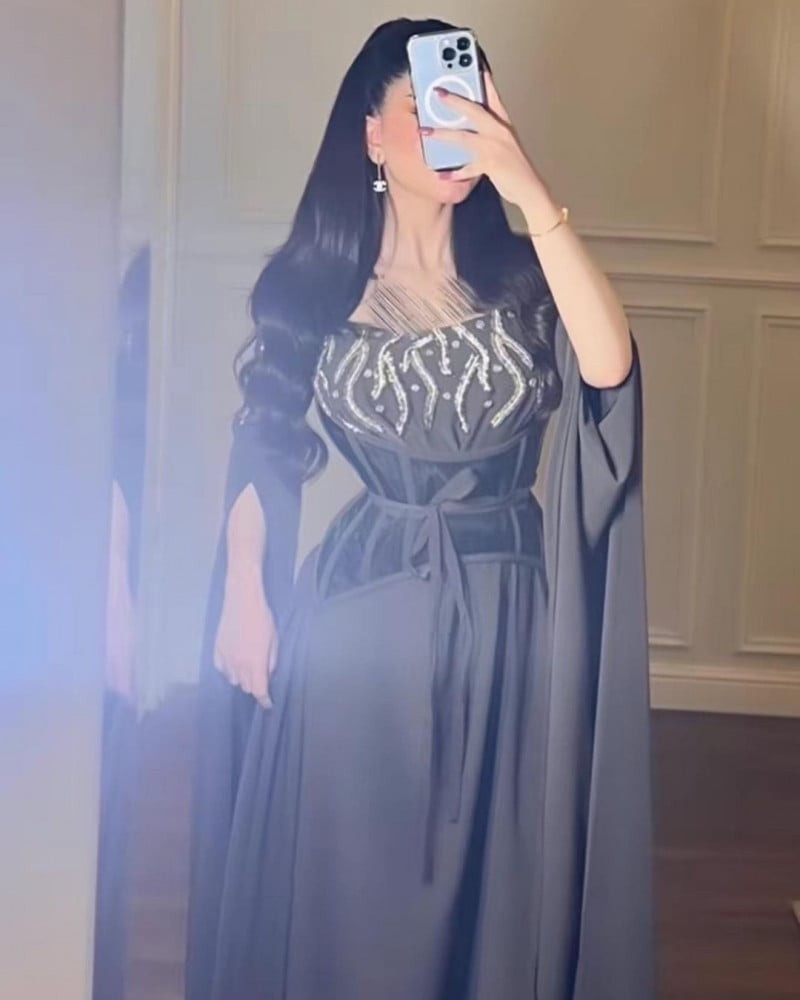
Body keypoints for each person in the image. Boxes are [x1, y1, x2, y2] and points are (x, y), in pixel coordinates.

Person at [185, 17, 656, 1000]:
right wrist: (244, 592)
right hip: (354, 628)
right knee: (350, 903)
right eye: (428, 104)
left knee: (500, 896)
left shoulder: (526, 281)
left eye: (469, 102)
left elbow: (610, 371)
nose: (453, 125)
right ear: (371, 133)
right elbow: (264, 443)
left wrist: (530, 191)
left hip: (509, 631)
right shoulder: (313, 288)